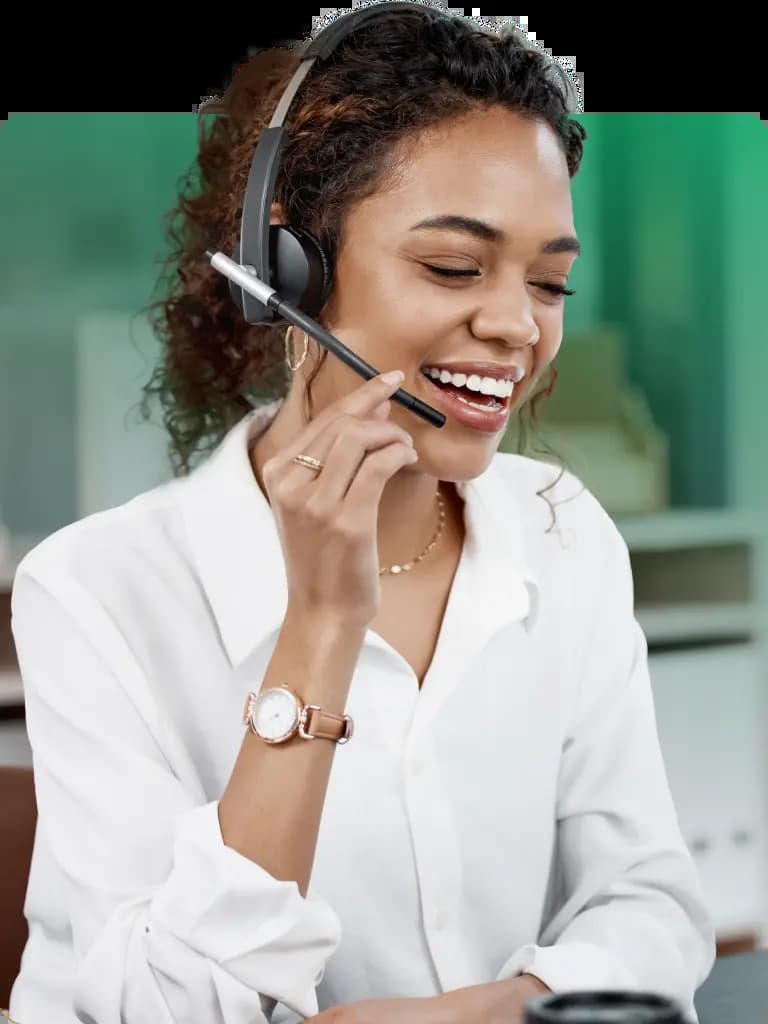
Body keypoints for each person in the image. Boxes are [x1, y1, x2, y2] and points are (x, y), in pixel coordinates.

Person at [8, 6, 715, 1024]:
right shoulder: (98, 592)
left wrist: (474, 1014)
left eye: (550, 281)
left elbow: (652, 905)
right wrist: (320, 631)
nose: (518, 326)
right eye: (453, 268)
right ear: (291, 271)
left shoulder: (563, 535)